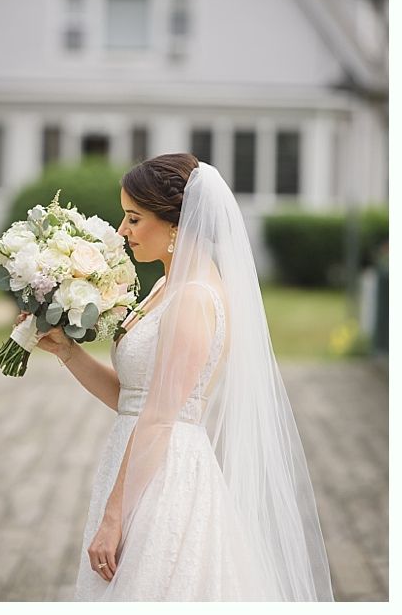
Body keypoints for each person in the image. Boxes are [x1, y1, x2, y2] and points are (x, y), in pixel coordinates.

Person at [31, 154, 332, 600]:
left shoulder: (192, 299)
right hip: (135, 457)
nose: (121, 230)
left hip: (163, 474)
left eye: (133, 218)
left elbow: (159, 416)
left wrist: (115, 517)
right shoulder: (163, 287)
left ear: (176, 225)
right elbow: (131, 397)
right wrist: (68, 352)